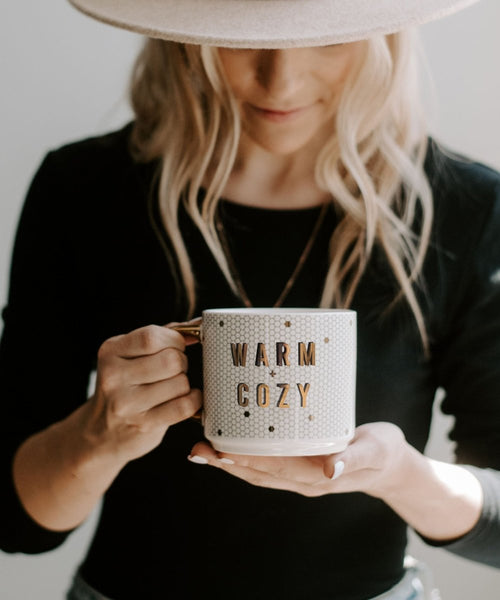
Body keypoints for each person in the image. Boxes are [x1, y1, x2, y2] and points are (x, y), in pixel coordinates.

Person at [1, 0, 500, 598]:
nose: (281, 81)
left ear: (383, 38)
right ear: (184, 35)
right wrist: (95, 436)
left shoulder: (463, 211)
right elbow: (15, 521)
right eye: (243, 41)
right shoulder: (83, 191)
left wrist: (402, 475)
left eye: (325, 39)